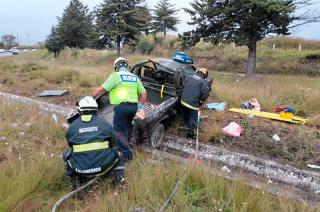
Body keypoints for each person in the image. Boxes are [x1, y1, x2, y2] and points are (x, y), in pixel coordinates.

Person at [63, 96, 133, 189]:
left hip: (80, 168)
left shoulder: (72, 126)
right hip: (104, 166)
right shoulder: (104, 123)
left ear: (79, 111)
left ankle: (75, 182)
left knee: (66, 154)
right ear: (96, 110)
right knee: (119, 153)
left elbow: (70, 145)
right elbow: (113, 143)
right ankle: (119, 181)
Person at [93, 57, 147, 139]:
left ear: (116, 67)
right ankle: (128, 143)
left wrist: (92, 96)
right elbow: (144, 93)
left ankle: (123, 150)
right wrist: (140, 107)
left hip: (122, 108)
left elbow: (101, 89)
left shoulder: (115, 76)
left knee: (119, 131)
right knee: (128, 127)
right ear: (126, 66)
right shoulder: (134, 77)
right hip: (134, 108)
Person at [180, 68, 210, 139]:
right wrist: (200, 102)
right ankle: (190, 134)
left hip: (183, 101)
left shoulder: (189, 76)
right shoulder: (203, 82)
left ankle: (181, 126)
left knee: (184, 114)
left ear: (197, 72)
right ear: (205, 75)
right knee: (193, 118)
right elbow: (205, 94)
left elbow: (183, 86)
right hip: (193, 104)